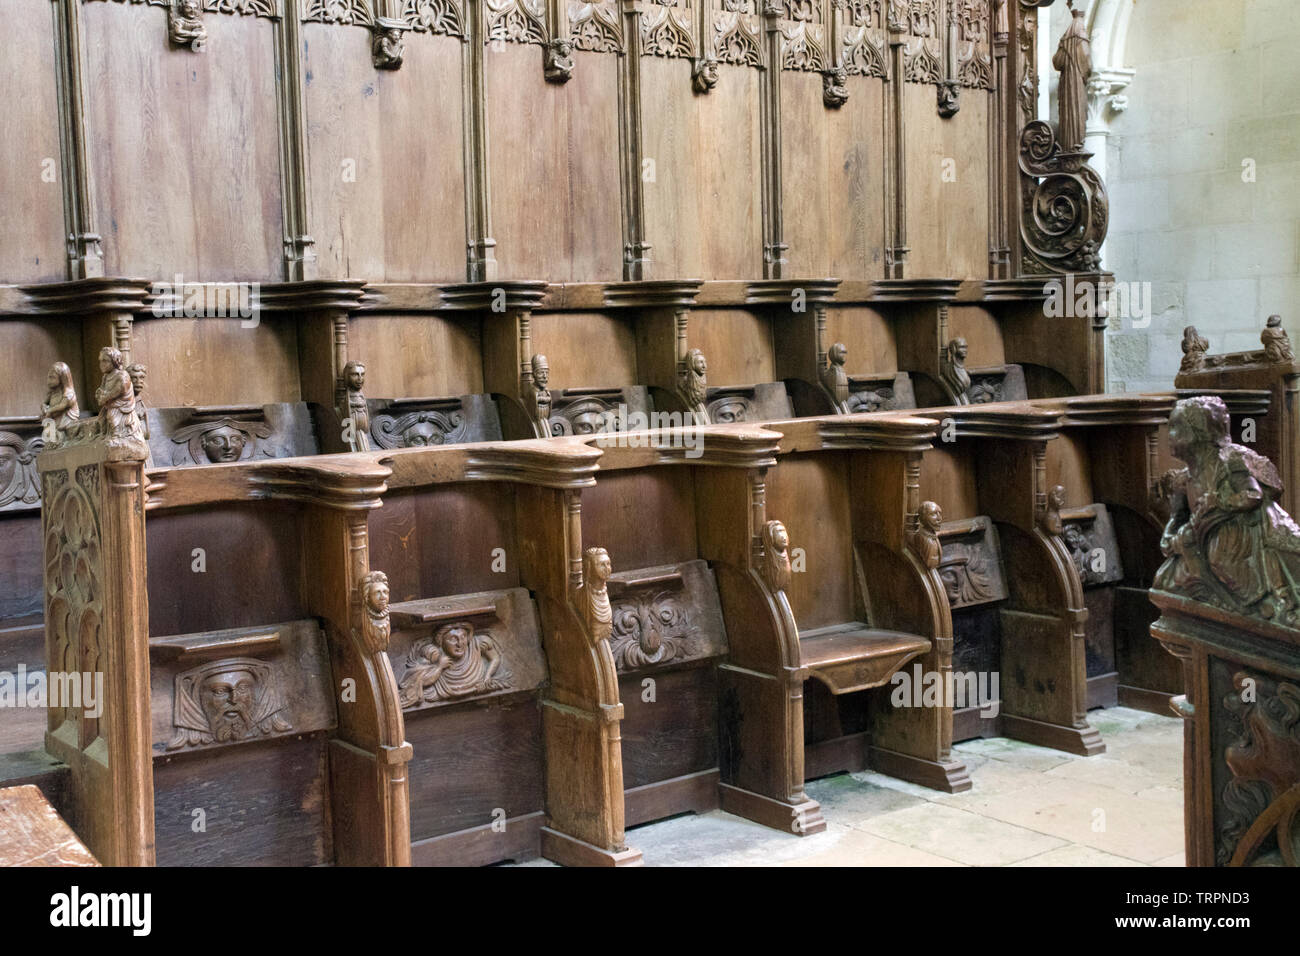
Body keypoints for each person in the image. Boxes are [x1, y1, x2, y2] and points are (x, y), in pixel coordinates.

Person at [1155, 396, 1300, 624]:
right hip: (1208, 541)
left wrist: (1219, 501)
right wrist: (1171, 540)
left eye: (1175, 427)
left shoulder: (1230, 461)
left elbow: (1253, 495)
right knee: (1175, 574)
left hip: (1251, 532)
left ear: (1197, 432)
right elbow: (1176, 518)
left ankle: (1267, 603)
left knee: (1219, 556)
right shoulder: (1185, 479)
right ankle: (1241, 603)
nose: (1168, 434)